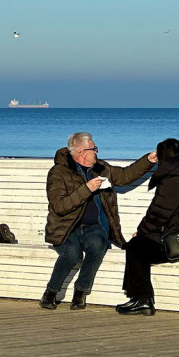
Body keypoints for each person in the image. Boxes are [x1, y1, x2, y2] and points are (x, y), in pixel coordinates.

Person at [41, 133, 157, 310]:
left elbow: (125, 176)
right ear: (81, 152)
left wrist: (148, 160)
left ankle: (80, 291)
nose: (96, 152)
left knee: (99, 244)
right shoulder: (59, 172)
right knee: (72, 254)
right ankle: (50, 292)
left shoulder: (101, 168)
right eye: (93, 149)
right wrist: (87, 189)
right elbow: (59, 206)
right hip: (65, 228)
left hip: (93, 227)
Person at [117, 138, 179, 316]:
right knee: (139, 245)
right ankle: (138, 299)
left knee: (135, 247)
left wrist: (140, 232)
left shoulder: (174, 179)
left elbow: (158, 212)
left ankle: (142, 300)